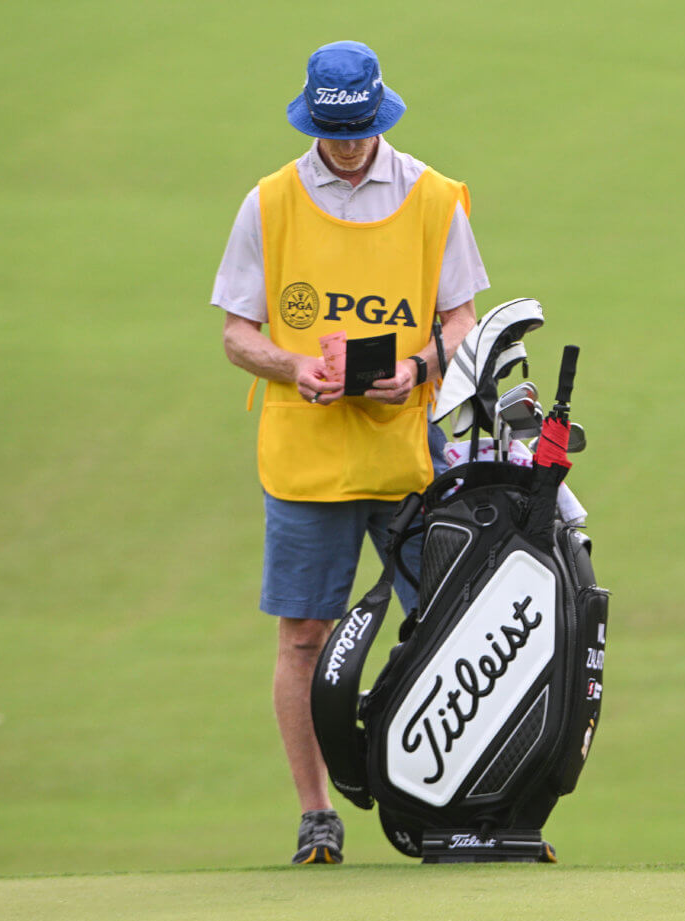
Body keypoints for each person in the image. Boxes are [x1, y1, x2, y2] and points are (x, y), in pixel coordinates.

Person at [211, 40, 490, 864]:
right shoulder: (268, 202)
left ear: (380, 114)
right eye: (334, 135)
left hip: (406, 449)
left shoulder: (435, 197)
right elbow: (236, 334)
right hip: (305, 456)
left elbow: (463, 321)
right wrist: (295, 365)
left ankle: (455, 803)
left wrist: (417, 369)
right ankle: (315, 815)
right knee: (302, 636)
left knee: (445, 626)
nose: (348, 148)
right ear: (312, 121)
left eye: (359, 131)